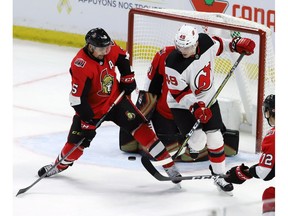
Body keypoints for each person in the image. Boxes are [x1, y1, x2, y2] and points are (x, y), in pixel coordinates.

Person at [37, 28, 182, 185]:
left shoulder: (108, 47)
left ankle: (169, 166)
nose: (107, 50)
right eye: (102, 48)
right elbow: (77, 100)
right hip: (93, 109)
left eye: (108, 46)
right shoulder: (80, 65)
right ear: (91, 47)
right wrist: (87, 122)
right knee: (76, 143)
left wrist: (127, 78)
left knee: (142, 129)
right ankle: (58, 165)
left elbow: (122, 57)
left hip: (116, 100)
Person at [164, 24, 255, 194]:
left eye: (188, 47)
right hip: (182, 105)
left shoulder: (206, 42)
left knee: (216, 139)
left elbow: (223, 44)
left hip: (208, 100)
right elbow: (179, 93)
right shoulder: (172, 63)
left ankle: (219, 175)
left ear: (196, 42)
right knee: (198, 141)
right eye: (180, 47)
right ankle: (192, 145)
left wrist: (237, 44)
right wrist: (195, 107)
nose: (184, 51)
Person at [224, 94, 275, 215]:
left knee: (270, 195)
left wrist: (243, 172)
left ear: (268, 112)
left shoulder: (273, 135)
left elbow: (264, 172)